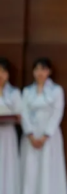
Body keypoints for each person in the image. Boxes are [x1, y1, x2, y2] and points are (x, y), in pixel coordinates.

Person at [20, 58, 67, 194]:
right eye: (37, 69)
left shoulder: (56, 90)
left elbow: (57, 113)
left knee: (48, 168)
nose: (40, 73)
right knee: (31, 170)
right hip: (31, 136)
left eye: (43, 69)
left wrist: (46, 135)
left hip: (49, 136)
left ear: (49, 72)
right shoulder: (27, 91)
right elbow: (23, 113)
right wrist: (30, 134)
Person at [0, 58, 21, 194]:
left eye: (3, 72)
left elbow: (20, 115)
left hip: (8, 133)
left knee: (7, 166)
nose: (0, 75)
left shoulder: (14, 93)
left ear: (8, 74)